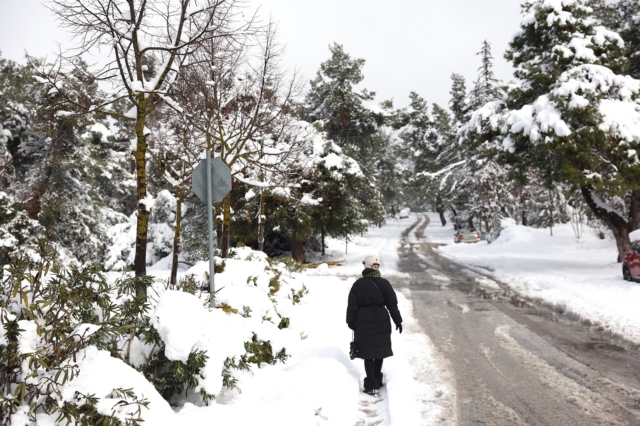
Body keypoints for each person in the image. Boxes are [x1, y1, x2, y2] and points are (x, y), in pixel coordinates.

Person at [346, 254, 403, 395]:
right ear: (377, 267)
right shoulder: (385, 284)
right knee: (379, 351)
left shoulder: (358, 285)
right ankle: (377, 379)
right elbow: (392, 305)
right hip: (382, 320)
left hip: (363, 320)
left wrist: (350, 322)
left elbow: (352, 306)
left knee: (367, 353)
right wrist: (397, 320)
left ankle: (370, 383)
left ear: (366, 266)